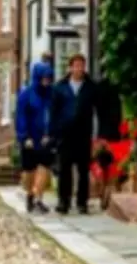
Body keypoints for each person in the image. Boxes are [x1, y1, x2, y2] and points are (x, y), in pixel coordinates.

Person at [50, 53, 99, 215]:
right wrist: (53, 133)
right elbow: (54, 112)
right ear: (70, 68)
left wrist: (96, 134)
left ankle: (82, 202)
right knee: (65, 169)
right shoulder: (60, 88)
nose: (79, 69)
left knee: (83, 170)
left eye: (81, 66)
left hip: (83, 134)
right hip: (65, 134)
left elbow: (96, 110)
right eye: (76, 66)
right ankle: (64, 201)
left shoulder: (90, 88)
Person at [15, 59, 54, 214]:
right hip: (30, 138)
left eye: (49, 77)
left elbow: (53, 115)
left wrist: (50, 134)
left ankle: (38, 198)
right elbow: (21, 116)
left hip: (45, 138)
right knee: (29, 171)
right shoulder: (26, 95)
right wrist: (24, 136)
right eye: (44, 77)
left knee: (44, 167)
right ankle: (30, 194)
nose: (47, 80)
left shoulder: (51, 94)